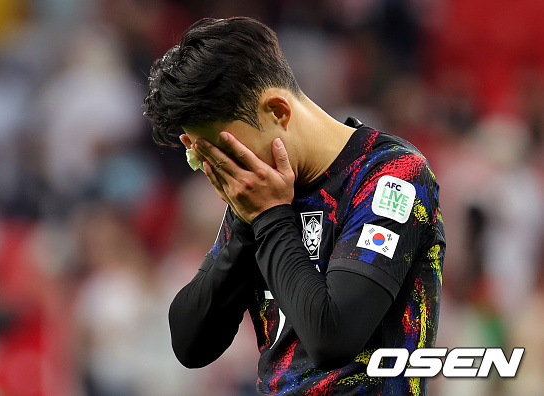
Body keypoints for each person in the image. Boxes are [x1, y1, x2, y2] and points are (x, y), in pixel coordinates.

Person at [143, 17, 445, 396]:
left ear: (278, 112)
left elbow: (332, 337)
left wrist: (269, 218)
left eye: (226, 151)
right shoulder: (260, 192)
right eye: (202, 156)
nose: (219, 170)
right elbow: (190, 344)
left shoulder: (392, 175)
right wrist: (243, 225)